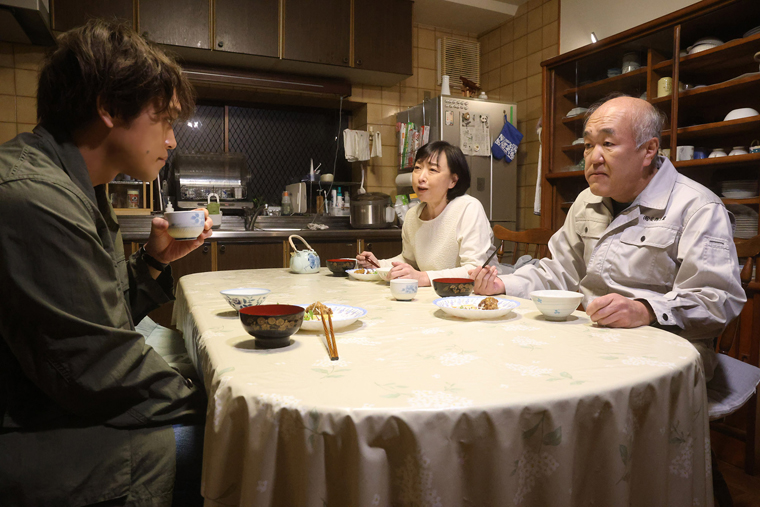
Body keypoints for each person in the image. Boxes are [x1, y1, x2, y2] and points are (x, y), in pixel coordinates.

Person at [0, 20, 212, 506]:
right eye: (165, 120)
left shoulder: (80, 187)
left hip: (55, 402)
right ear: (110, 108)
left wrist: (153, 261)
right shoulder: (34, 199)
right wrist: (214, 401)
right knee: (238, 443)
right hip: (29, 435)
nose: (172, 141)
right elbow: (98, 368)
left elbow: (93, 318)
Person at [469, 95, 745, 380]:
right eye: (589, 145)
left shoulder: (698, 207)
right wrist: (504, 284)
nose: (593, 157)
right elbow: (559, 272)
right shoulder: (586, 201)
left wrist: (646, 310)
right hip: (595, 339)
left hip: (669, 349)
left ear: (649, 150)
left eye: (608, 143)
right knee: (503, 360)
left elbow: (717, 300)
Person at [356, 141, 499, 286]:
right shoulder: (412, 215)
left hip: (481, 294)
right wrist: (379, 265)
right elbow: (409, 260)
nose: (421, 177)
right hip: (435, 293)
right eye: (417, 168)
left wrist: (423, 277)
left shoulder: (468, 208)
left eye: (433, 170)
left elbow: (474, 270)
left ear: (453, 180)